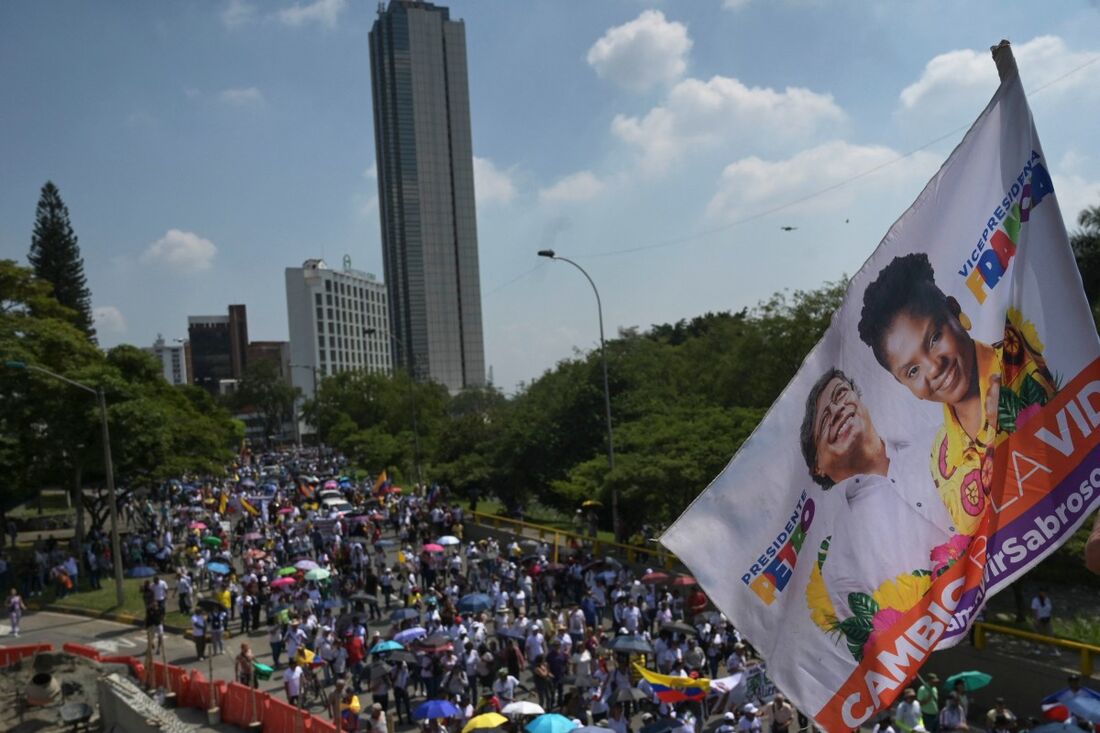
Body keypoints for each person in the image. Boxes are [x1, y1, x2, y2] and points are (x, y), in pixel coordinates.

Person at [858, 252, 1056, 536]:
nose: (934, 367)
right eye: (912, 371)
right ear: (902, 383)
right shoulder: (941, 462)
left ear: (955, 312)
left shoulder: (1025, 357)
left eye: (934, 338)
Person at [800, 369, 955, 652]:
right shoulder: (840, 562)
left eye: (841, 394)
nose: (837, 410)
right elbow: (875, 646)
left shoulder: (942, 441)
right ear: (817, 466)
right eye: (824, 420)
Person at [1031, 589, 1057, 653]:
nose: (1044, 594)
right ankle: (1036, 648)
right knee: (1037, 634)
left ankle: (1052, 649)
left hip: (1047, 619)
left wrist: (1050, 617)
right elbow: (1034, 610)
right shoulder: (1035, 600)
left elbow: (1049, 610)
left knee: (1050, 634)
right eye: (1043, 592)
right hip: (1039, 619)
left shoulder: (1047, 600)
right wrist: (1036, 620)